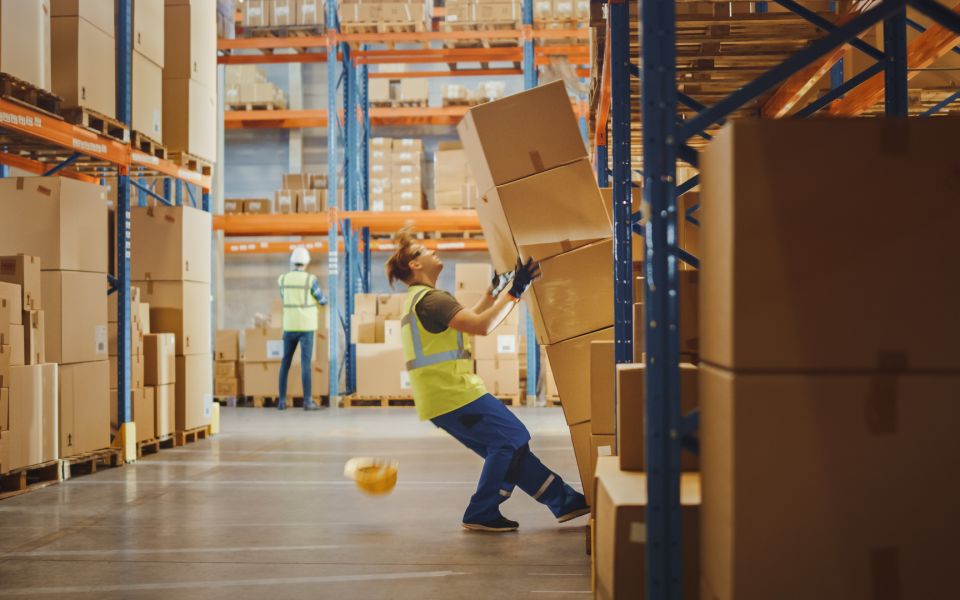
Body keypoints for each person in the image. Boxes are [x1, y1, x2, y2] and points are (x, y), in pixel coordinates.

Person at [386, 228, 590, 532]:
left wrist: (493, 292)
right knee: (512, 438)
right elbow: (481, 326)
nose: (431, 251)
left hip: (442, 398)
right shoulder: (431, 300)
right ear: (415, 265)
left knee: (509, 448)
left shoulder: (421, 299)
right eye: (422, 250)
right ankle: (481, 510)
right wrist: (515, 292)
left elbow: (467, 317)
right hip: (453, 394)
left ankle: (565, 502)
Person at [278, 246, 328, 411]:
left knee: (285, 363)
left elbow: (284, 297)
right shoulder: (310, 279)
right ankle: (307, 401)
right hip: (306, 327)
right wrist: (324, 299)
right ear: (306, 263)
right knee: (305, 363)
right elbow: (321, 300)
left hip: (289, 326)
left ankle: (282, 402)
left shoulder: (283, 279)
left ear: (293, 262)